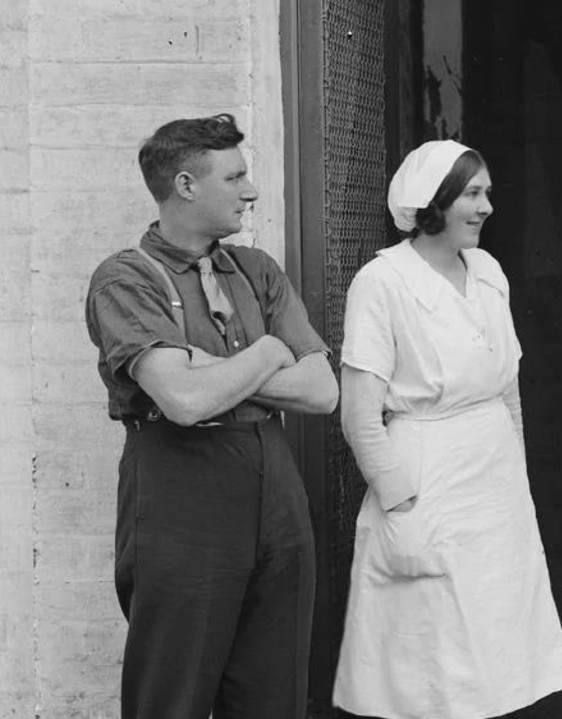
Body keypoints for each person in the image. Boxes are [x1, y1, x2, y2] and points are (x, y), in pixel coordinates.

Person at [84, 113, 338, 718]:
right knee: (173, 695)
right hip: (180, 494)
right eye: (236, 177)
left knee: (274, 695)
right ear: (186, 186)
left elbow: (323, 392)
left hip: (274, 488)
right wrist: (273, 352)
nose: (250, 191)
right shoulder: (125, 278)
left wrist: (219, 367)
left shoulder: (257, 271)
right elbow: (184, 402)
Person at [333, 140, 562, 719]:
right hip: (427, 476)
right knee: (431, 653)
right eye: (472, 194)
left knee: (497, 648)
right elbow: (360, 413)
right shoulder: (383, 280)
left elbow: (507, 384)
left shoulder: (488, 271)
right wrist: (401, 500)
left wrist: (515, 467)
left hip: (493, 482)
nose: (487, 206)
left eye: (486, 192)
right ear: (432, 203)